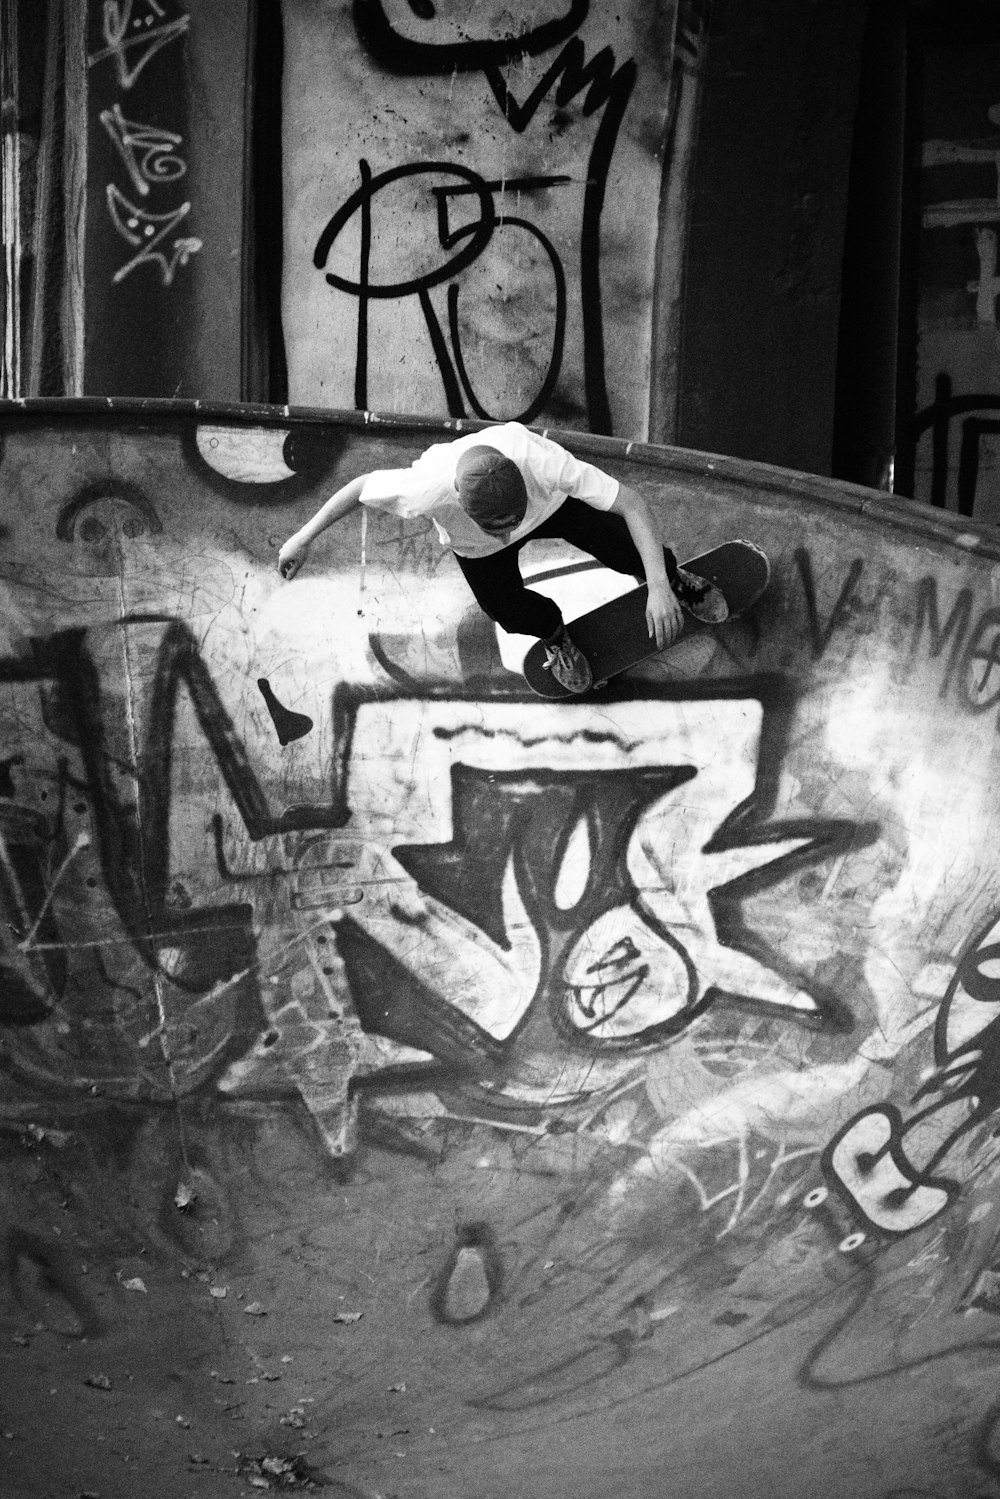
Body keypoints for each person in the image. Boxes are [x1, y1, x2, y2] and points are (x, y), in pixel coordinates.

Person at [277, 421, 726, 693]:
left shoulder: (541, 460)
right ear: (457, 497)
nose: (511, 533)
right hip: (474, 549)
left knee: (622, 545)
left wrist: (659, 587)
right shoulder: (422, 487)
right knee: (507, 610)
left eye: (513, 519)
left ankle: (674, 579)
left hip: (551, 509)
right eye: (500, 527)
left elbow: (630, 503)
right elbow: (359, 488)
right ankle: (556, 637)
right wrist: (303, 537)